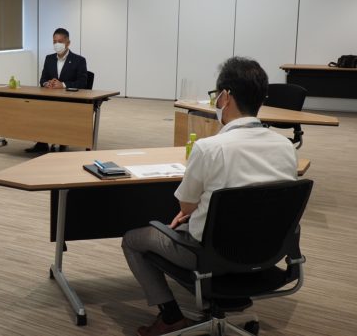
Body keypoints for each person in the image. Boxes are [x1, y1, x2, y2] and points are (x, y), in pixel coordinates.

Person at [121, 57, 298, 336]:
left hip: (210, 256)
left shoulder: (209, 148)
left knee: (132, 240)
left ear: (225, 97)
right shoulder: (285, 147)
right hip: (267, 252)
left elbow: (186, 205)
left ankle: (170, 317)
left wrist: (192, 209)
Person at [25, 28, 88, 153]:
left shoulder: (79, 60)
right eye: (54, 41)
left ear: (68, 43)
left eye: (60, 41)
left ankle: (63, 141)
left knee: (59, 111)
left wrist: (63, 85)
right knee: (35, 108)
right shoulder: (49, 59)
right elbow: (42, 79)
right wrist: (47, 83)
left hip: (70, 100)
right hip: (50, 98)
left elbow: (83, 83)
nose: (57, 44)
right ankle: (42, 143)